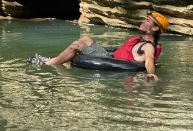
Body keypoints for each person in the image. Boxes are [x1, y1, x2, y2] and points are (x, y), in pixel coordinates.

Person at [34, 11, 169, 81]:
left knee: (76, 45)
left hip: (111, 61)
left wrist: (152, 74)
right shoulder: (140, 40)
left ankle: (49, 63)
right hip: (111, 57)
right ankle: (60, 60)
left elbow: (149, 60)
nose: (142, 22)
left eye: (147, 21)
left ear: (155, 28)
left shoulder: (149, 46)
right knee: (85, 38)